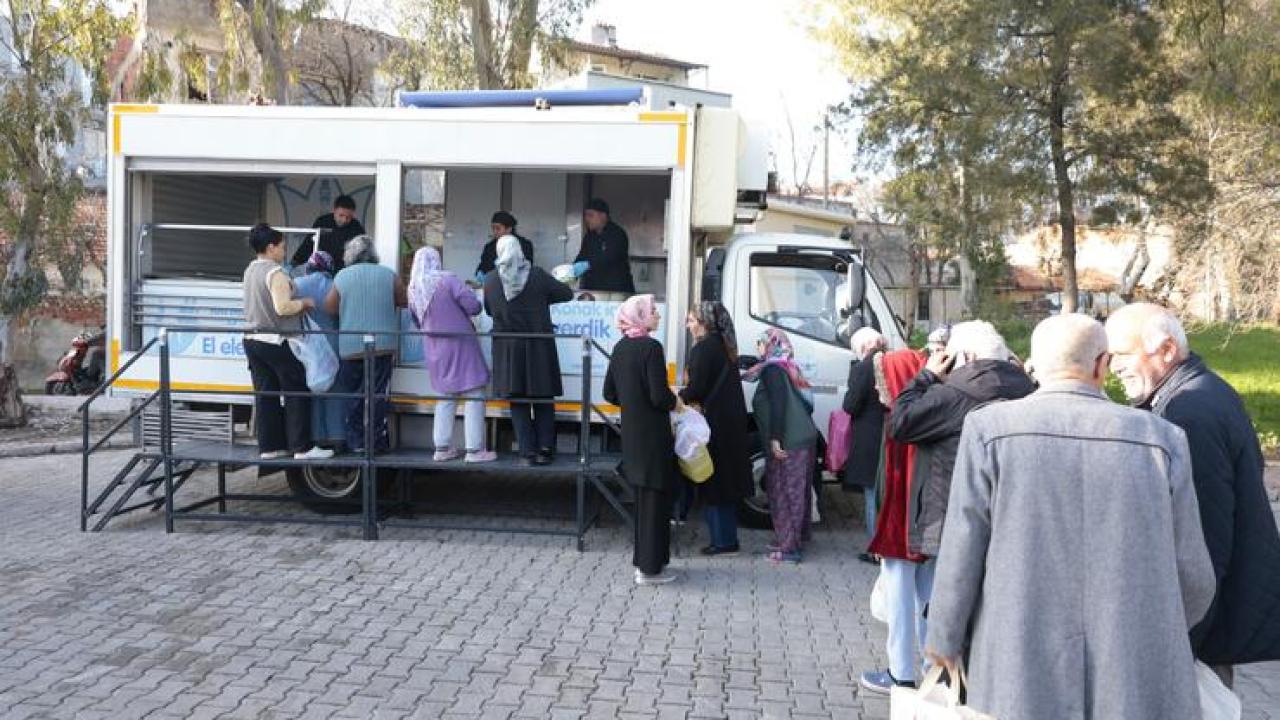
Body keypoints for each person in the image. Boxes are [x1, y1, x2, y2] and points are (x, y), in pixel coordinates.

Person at [924, 313, 1215, 719]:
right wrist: (1154, 626)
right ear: (1102, 364)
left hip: (1017, 655)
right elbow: (1194, 573)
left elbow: (962, 551)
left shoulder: (989, 429)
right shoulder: (1162, 439)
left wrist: (943, 640)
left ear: (1033, 366)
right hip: (1129, 660)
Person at [860, 321, 1036, 697]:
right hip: (1012, 517)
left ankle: (933, 682)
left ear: (967, 356)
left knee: (945, 604)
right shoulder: (1027, 388)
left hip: (954, 516)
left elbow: (902, 422)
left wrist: (925, 377)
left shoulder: (958, 391)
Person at [1106, 303, 1280, 682]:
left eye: (1121, 353)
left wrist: (1182, 639)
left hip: (1202, 631)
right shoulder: (1195, 393)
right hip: (1210, 624)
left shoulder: (1189, 411)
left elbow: (1203, 541)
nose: (1112, 366)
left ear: (1167, 351)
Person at [858, 346, 928, 693]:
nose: (877, 387)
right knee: (926, 601)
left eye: (882, 378)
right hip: (919, 527)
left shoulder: (905, 424)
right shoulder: (917, 417)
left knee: (903, 604)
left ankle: (902, 674)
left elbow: (901, 483)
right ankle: (932, 671)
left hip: (905, 528)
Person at [603, 295, 682, 585]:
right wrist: (677, 402)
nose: (658, 316)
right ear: (640, 316)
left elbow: (609, 393)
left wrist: (631, 400)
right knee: (655, 501)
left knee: (644, 500)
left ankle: (648, 563)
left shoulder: (621, 347)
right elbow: (659, 396)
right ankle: (649, 569)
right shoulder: (651, 348)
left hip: (633, 435)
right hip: (652, 435)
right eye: (653, 312)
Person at [240, 224, 332, 460]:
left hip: (251, 339)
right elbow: (283, 307)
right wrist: (305, 303)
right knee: (296, 389)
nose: (283, 251)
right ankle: (302, 447)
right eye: (281, 247)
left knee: (266, 393)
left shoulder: (250, 270)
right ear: (270, 248)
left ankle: (270, 447)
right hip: (275, 339)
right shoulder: (275, 273)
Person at [483, 235, 574, 466]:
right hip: (538, 346)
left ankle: (526, 453)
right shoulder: (537, 275)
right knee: (543, 398)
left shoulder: (491, 280)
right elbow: (567, 293)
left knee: (518, 401)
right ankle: (545, 449)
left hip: (508, 349)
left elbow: (489, 311)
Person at [408, 246, 496, 464]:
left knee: (446, 396)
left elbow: (416, 321)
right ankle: (475, 450)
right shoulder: (446, 281)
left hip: (434, 349)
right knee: (474, 394)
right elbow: (474, 306)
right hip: (460, 345)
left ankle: (442, 448)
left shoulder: (414, 288)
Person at [679, 302, 753, 556]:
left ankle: (722, 542)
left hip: (714, 424)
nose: (688, 326)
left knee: (714, 482)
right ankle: (728, 538)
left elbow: (697, 389)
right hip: (730, 421)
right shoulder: (725, 345)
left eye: (690, 320)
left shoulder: (703, 349)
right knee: (728, 482)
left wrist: (677, 396)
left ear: (703, 322)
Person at [324, 236, 406, 453]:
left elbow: (330, 308)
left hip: (351, 346)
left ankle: (356, 442)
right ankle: (376, 441)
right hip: (382, 345)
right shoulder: (389, 275)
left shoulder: (342, 276)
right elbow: (403, 300)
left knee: (353, 394)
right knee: (377, 394)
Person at [744, 329, 818, 564]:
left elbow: (778, 404)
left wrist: (776, 438)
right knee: (797, 492)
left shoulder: (773, 371)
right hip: (802, 436)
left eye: (760, 342)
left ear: (770, 345)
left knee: (786, 493)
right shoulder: (785, 366)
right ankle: (795, 538)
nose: (758, 346)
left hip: (789, 440)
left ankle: (790, 549)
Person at [292, 250, 346, 450]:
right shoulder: (335, 286)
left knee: (312, 388)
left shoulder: (298, 285)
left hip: (307, 345)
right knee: (336, 390)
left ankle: (316, 436)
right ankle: (337, 436)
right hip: (334, 344)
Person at [842, 328, 887, 556]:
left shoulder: (863, 368)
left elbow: (850, 405)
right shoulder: (892, 361)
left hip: (870, 437)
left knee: (872, 495)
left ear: (862, 347)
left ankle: (874, 551)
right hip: (891, 433)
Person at [571, 198, 635, 299]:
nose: (587, 219)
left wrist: (588, 264)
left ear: (603, 216)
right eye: (586, 215)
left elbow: (610, 256)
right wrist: (572, 271)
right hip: (592, 290)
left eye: (591, 215)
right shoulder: (589, 236)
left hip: (615, 291)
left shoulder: (617, 234)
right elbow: (582, 255)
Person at [292, 194, 367, 272]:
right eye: (341, 215)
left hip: (345, 270)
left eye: (348, 217)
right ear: (334, 211)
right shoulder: (322, 222)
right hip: (323, 269)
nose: (344, 220)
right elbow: (308, 244)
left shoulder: (357, 227)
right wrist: (295, 261)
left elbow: (363, 253)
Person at [473, 211, 535, 285]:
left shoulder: (524, 245)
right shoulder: (489, 247)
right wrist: (480, 273)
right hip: (494, 287)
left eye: (498, 228)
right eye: (493, 228)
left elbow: (526, 268)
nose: (495, 232)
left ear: (509, 229)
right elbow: (483, 266)